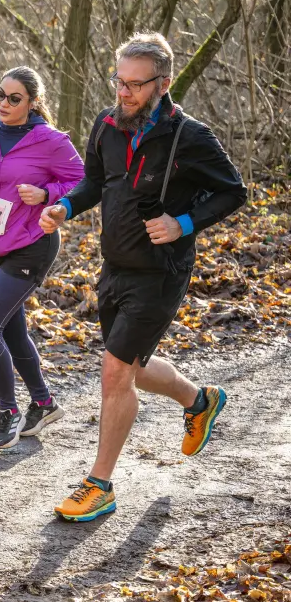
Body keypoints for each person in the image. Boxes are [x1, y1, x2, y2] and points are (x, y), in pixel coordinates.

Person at [40, 32, 246, 521]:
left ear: (163, 83)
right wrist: (65, 207)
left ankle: (100, 485)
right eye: (119, 81)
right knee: (131, 366)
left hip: (160, 270)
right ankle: (199, 400)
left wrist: (183, 224)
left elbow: (233, 191)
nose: (124, 92)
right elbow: (95, 182)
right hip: (115, 264)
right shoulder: (107, 125)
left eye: (136, 84)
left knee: (115, 372)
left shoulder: (189, 136)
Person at [0, 67, 84, 449]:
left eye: (14, 98)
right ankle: (43, 402)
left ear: (33, 102)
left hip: (30, 244)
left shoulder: (51, 141)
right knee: (10, 329)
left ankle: (8, 410)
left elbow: (83, 182)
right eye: (0, 95)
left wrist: (46, 195)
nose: (4, 103)